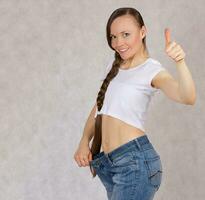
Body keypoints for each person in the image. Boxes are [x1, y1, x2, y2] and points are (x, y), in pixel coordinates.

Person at [73, 7, 196, 200]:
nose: (118, 43)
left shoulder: (152, 69)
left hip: (134, 163)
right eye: (113, 37)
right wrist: (84, 140)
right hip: (109, 165)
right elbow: (99, 107)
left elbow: (187, 97)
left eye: (125, 35)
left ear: (143, 32)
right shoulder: (113, 67)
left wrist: (180, 61)